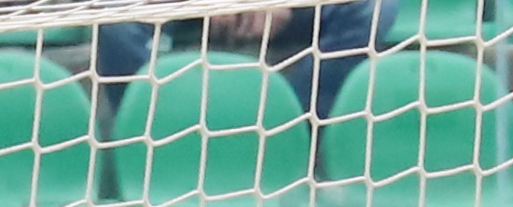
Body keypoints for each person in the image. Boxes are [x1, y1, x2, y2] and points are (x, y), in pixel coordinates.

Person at [94, 2, 395, 116]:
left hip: (284, 10)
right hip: (187, 8)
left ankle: (294, 133)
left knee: (370, 9)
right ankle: (144, 134)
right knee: (113, 18)